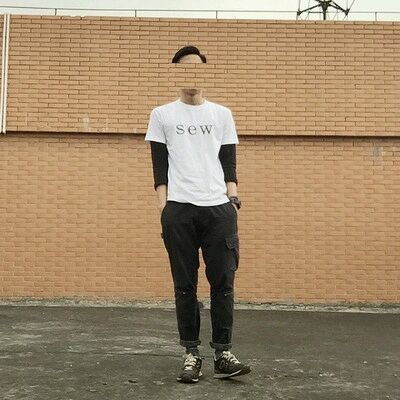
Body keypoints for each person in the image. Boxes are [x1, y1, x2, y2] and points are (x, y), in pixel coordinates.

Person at [144, 45, 251, 383]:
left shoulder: (222, 114)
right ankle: (191, 354)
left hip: (218, 210)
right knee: (185, 286)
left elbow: (228, 162)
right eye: (184, 68)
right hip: (179, 210)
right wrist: (164, 208)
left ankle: (223, 354)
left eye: (197, 68)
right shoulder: (162, 115)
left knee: (223, 284)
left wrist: (232, 199)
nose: (191, 74)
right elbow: (159, 168)